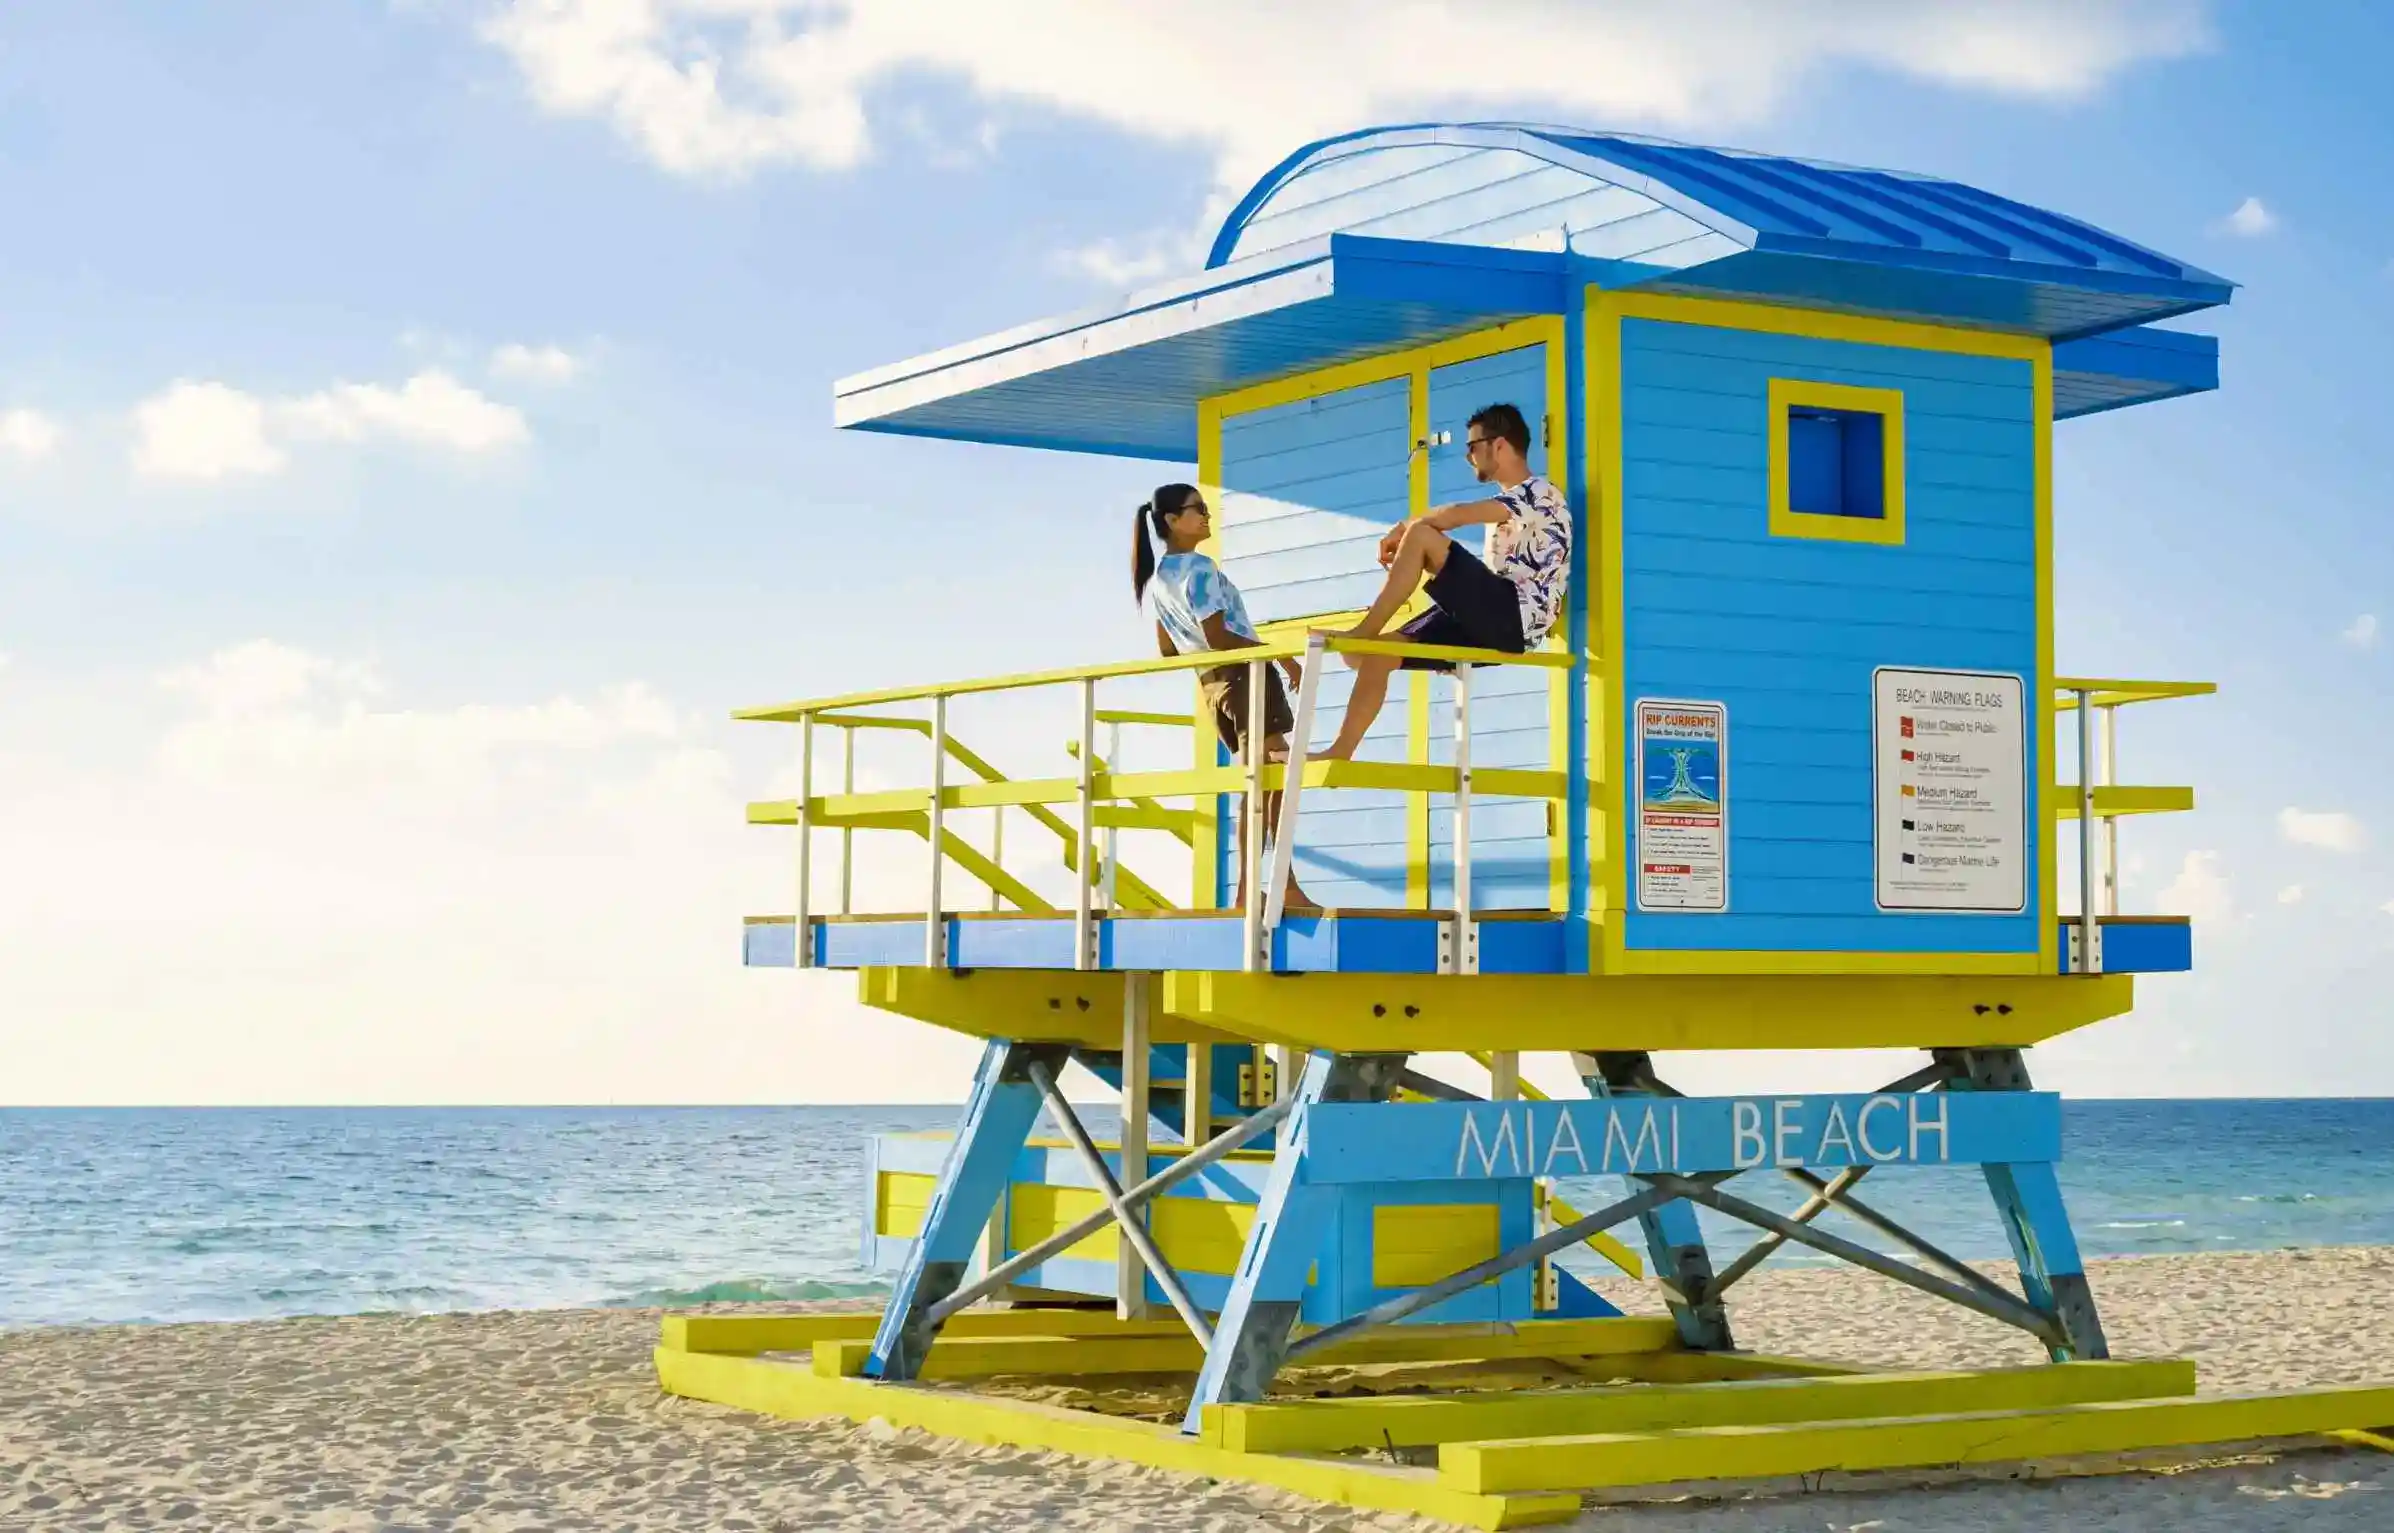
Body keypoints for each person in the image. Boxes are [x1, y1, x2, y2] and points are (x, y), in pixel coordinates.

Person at [1320, 403, 1570, 760]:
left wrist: (1404, 529)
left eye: (1472, 447)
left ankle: (1364, 628)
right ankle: (1341, 750)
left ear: (1498, 445)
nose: (1468, 457)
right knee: (1372, 655)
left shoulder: (1540, 493)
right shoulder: (1513, 504)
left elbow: (1456, 515)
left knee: (1422, 535)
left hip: (1513, 615)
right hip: (1494, 619)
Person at [1134, 484, 1318, 911]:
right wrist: (1279, 657)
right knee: (1274, 773)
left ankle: (1258, 885)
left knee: (1262, 780)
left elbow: (1168, 648)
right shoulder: (1199, 567)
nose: (1207, 516)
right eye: (1197, 510)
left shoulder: (1161, 576)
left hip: (1212, 685)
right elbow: (1217, 636)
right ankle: (1269, 885)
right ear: (1171, 521)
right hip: (1244, 675)